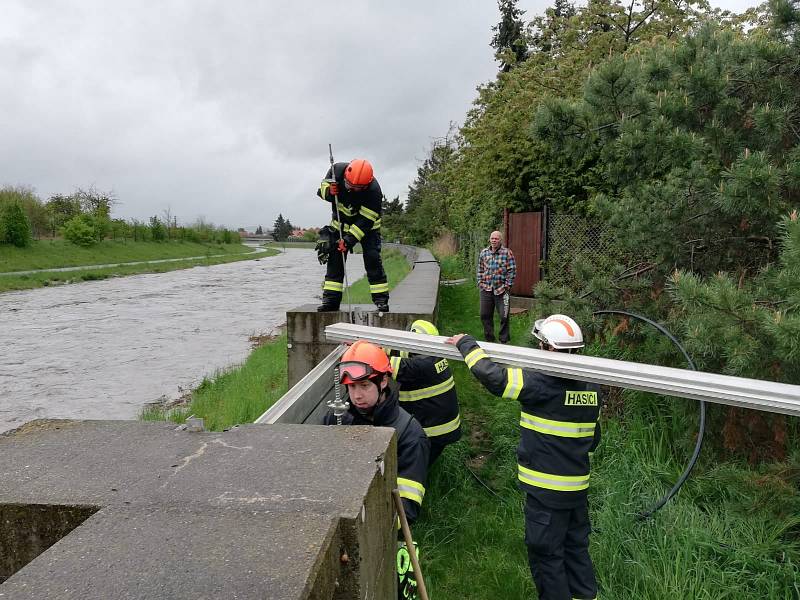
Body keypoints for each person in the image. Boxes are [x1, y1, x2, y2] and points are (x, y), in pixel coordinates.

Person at [446, 314, 601, 600]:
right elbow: (593, 438)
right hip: (577, 489)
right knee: (576, 549)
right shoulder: (592, 386)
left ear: (551, 349)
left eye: (542, 345)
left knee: (546, 557)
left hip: (546, 493)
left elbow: (495, 378)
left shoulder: (540, 382)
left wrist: (467, 344)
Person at [323, 339, 430, 524]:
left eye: (364, 385)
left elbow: (406, 511)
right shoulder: (336, 419)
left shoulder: (410, 435)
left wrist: (364, 526)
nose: (356, 395)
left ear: (383, 381)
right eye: (351, 386)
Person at [316, 158, 389, 313]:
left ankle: (381, 301)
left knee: (372, 260)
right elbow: (320, 189)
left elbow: (365, 221)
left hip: (367, 230)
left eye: (357, 188)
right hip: (340, 226)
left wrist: (348, 241)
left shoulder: (374, 192)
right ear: (346, 177)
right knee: (335, 262)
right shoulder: (336, 171)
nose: (352, 189)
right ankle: (330, 302)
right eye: (349, 185)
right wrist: (329, 192)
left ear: (367, 184)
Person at [388, 320, 462, 466]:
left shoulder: (420, 366)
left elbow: (384, 364)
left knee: (413, 467)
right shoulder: (435, 356)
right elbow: (400, 351)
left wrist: (360, 349)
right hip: (444, 427)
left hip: (432, 433)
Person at [477, 230, 516, 344]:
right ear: (489, 239)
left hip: (502, 290)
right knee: (485, 315)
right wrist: (480, 282)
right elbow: (480, 269)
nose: (494, 240)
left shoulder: (507, 253)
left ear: (500, 240)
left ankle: (504, 340)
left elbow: (512, 270)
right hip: (486, 289)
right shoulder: (484, 253)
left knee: (504, 316)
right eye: (492, 238)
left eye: (496, 238)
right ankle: (489, 339)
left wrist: (507, 286)